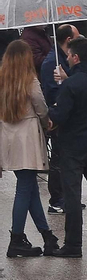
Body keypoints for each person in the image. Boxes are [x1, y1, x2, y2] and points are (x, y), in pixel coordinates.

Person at [48, 35, 87, 256]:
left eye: (68, 55)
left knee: (73, 196)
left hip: (72, 147)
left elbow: (60, 115)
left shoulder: (71, 85)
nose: (66, 58)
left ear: (75, 57)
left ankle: (74, 245)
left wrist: (52, 107)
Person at [2, 39, 58, 257]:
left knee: (30, 188)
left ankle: (47, 236)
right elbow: (41, 107)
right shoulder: (29, 80)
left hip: (7, 137)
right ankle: (16, 238)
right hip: (27, 138)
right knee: (25, 189)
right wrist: (48, 123)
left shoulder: (2, 79)